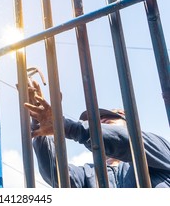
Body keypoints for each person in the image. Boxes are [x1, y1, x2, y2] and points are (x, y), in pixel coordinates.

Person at [24, 80, 170, 188]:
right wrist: (39, 124)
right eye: (96, 122)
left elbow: (127, 141)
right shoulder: (88, 173)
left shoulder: (156, 148)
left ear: (128, 123)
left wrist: (69, 127)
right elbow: (55, 173)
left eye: (109, 118)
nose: (100, 122)